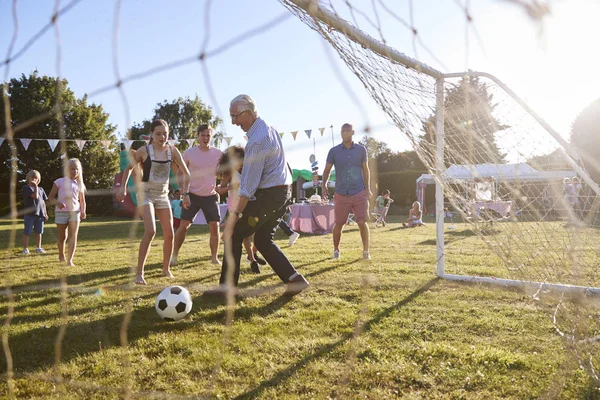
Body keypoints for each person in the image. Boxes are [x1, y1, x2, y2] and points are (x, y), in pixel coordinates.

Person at [204, 94, 309, 297]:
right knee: (262, 240)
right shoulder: (267, 127)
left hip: (270, 195)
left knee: (233, 235)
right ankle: (295, 280)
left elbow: (247, 189)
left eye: (235, 116)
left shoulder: (257, 141)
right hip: (282, 192)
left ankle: (227, 289)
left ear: (249, 113)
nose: (233, 122)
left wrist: (233, 218)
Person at [116, 119, 190, 284]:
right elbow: (129, 168)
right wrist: (123, 188)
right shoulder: (144, 150)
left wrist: (185, 193)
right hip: (146, 195)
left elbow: (186, 173)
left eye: (165, 134)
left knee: (170, 233)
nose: (162, 137)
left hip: (163, 195)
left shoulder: (173, 151)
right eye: (158, 134)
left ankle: (166, 270)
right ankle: (139, 273)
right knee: (151, 230)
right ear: (151, 134)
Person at [172, 124, 222, 266]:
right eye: (203, 135)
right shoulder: (189, 153)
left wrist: (222, 186)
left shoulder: (219, 154)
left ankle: (214, 258)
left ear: (211, 136)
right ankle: (174, 256)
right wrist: (183, 191)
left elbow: (227, 170)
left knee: (215, 225)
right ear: (198, 136)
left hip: (210, 196)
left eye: (208, 135)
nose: (205, 138)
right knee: (184, 225)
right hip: (191, 195)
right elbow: (179, 173)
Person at [321, 123, 372, 260]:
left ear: (353, 132)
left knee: (362, 222)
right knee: (339, 223)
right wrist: (324, 185)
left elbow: (365, 169)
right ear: (341, 133)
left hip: (359, 191)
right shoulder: (334, 151)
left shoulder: (361, 150)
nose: (345, 133)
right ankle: (336, 250)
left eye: (348, 131)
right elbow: (326, 170)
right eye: (343, 131)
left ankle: (366, 251)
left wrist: (368, 188)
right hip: (341, 193)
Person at [217, 145, 261, 274]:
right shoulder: (229, 173)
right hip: (235, 206)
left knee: (257, 234)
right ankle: (253, 261)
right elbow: (220, 190)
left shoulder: (249, 169)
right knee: (244, 237)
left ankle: (252, 254)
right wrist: (232, 187)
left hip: (250, 205)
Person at [48, 158, 87, 266]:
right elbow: (50, 197)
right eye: (72, 169)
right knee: (62, 237)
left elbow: (82, 200)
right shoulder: (59, 182)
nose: (75, 171)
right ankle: (61, 255)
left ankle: (70, 260)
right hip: (61, 213)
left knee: (73, 237)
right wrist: (58, 203)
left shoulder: (80, 184)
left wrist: (83, 211)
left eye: (77, 169)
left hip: (75, 212)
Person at [21, 170, 49, 255]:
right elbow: (35, 196)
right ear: (28, 178)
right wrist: (35, 187)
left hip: (40, 214)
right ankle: (25, 249)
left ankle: (38, 247)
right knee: (27, 232)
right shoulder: (26, 188)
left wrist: (45, 213)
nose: (34, 180)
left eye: (36, 178)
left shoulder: (41, 189)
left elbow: (43, 202)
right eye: (32, 178)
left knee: (39, 232)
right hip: (30, 214)